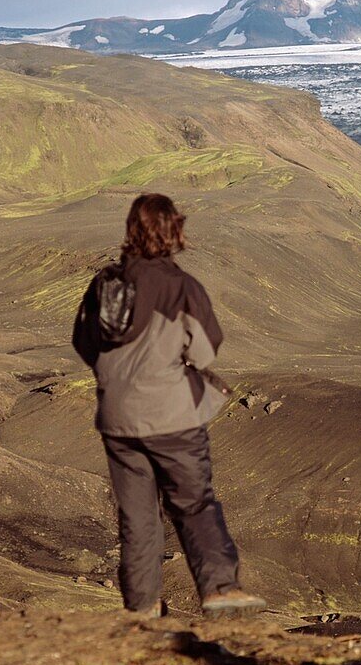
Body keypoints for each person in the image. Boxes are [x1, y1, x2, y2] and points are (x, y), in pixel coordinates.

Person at [72, 193, 266, 618]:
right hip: (170, 417)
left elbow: (84, 342)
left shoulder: (104, 284)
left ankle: (141, 609)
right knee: (193, 502)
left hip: (117, 418)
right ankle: (218, 588)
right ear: (174, 231)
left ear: (132, 231)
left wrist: (119, 377)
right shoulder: (180, 287)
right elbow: (205, 353)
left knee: (137, 517)